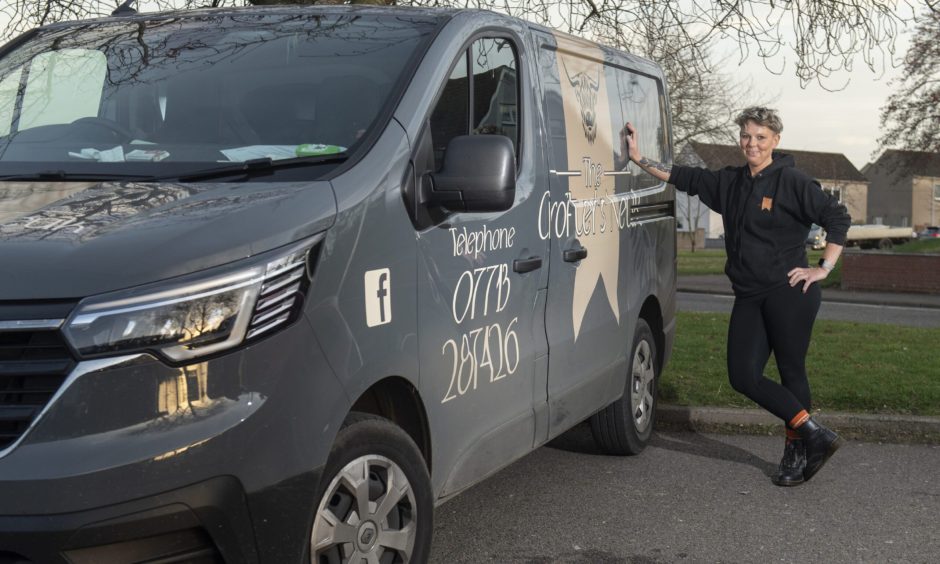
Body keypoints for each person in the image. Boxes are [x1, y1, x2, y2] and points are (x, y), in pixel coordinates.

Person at [624, 107, 851, 486]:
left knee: (791, 370)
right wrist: (636, 157)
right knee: (742, 375)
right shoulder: (730, 183)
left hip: (791, 292)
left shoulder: (793, 181)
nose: (752, 143)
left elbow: (838, 218)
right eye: (747, 135)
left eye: (761, 137)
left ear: (775, 141)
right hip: (749, 294)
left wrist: (822, 268)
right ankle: (813, 433)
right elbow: (681, 176)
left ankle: (796, 452)